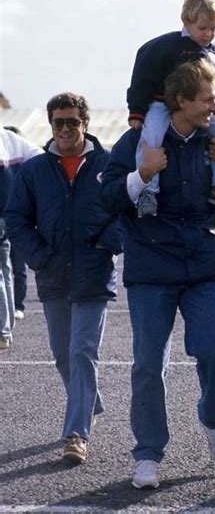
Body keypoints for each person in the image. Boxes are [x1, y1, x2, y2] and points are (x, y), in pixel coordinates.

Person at [100, 59, 215, 489]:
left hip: (204, 264)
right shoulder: (136, 141)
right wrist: (143, 171)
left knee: (214, 353)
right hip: (151, 270)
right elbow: (107, 197)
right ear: (181, 100)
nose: (214, 105)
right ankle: (148, 454)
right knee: (149, 365)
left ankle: (212, 417)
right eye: (207, 98)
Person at [5, 93, 122, 463]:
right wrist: (39, 257)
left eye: (72, 121)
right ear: (50, 125)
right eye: (59, 122)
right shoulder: (34, 170)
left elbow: (127, 211)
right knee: (61, 356)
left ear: (85, 123)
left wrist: (108, 244)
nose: (66, 129)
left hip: (93, 273)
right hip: (53, 274)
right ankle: (88, 400)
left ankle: (76, 434)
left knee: (82, 352)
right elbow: (17, 219)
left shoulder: (108, 164)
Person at [127, 0, 215, 217]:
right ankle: (148, 192)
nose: (208, 34)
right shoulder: (162, 48)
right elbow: (141, 79)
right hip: (161, 105)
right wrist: (137, 111)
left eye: (213, 28)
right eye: (202, 28)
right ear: (186, 22)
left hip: (200, 112)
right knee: (151, 137)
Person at [0, 127, 41, 349]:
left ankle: (2, 330)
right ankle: (6, 328)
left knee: (6, 270)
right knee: (6, 270)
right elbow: (39, 156)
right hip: (9, 216)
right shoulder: (10, 137)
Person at [3, 126, 32, 321]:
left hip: (18, 222)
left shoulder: (23, 167)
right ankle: (8, 319)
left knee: (18, 268)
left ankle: (18, 305)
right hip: (7, 221)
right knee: (6, 270)